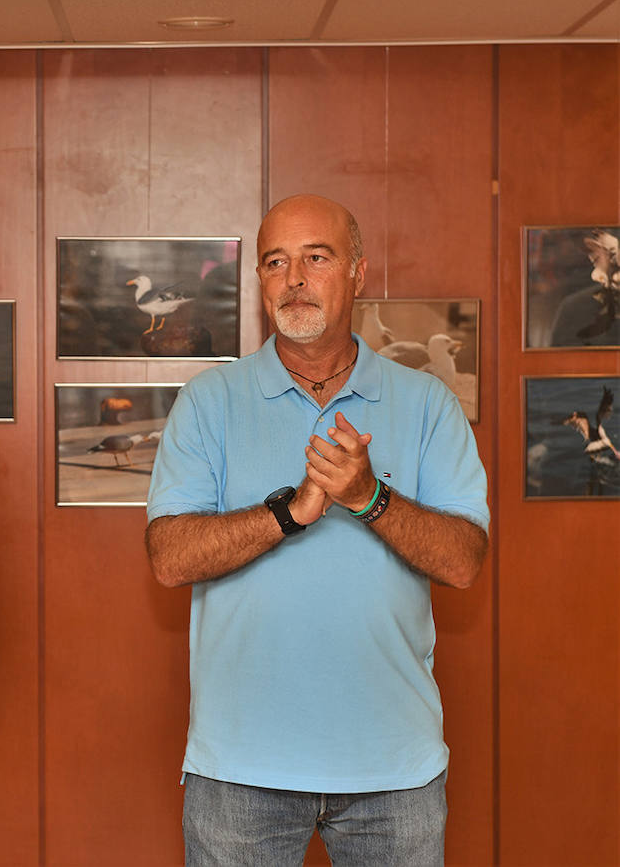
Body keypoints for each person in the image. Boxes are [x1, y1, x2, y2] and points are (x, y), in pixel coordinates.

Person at [144, 194, 489, 866]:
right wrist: (288, 513)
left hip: (395, 771)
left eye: (316, 258)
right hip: (239, 769)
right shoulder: (209, 403)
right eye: (275, 262)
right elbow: (169, 557)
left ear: (358, 274)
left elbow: (464, 561)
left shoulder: (427, 405)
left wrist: (368, 498)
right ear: (260, 284)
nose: (294, 278)